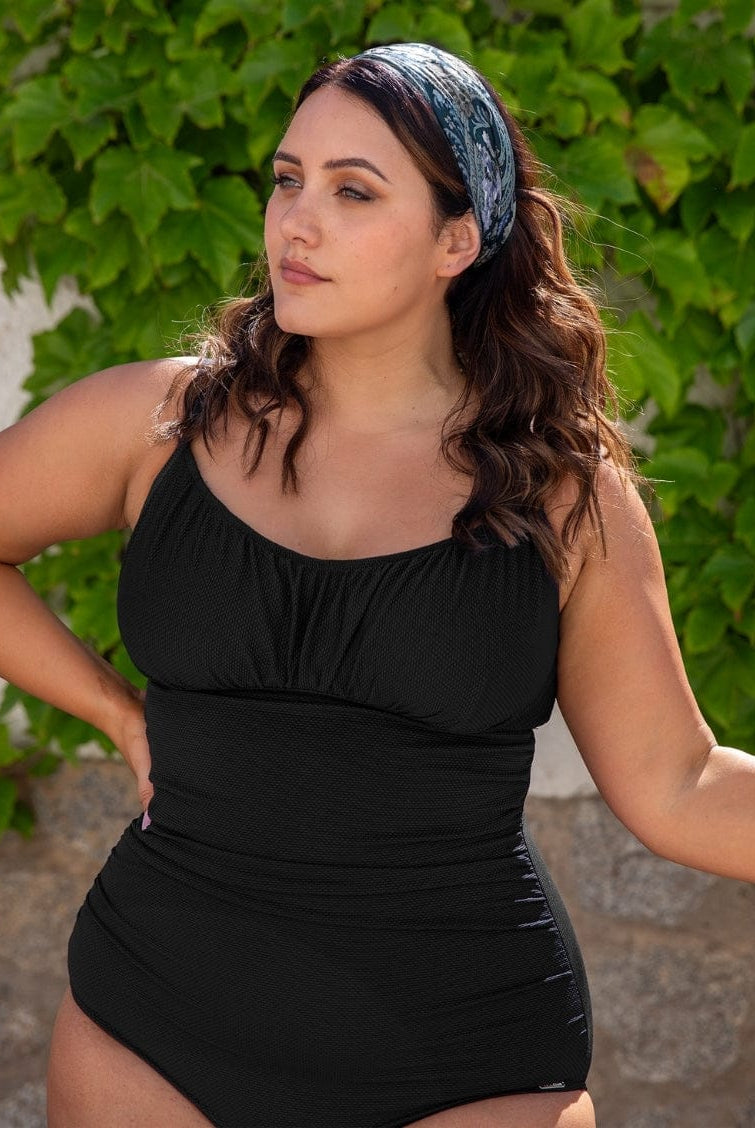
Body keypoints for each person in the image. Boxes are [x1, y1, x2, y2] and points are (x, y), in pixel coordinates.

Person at [0, 40, 752, 1128]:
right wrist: (115, 712)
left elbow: (677, 784)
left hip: (463, 1063)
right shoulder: (160, 427)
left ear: (458, 238)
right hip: (153, 1030)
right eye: (287, 179)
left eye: (352, 191)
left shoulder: (561, 498)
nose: (295, 222)